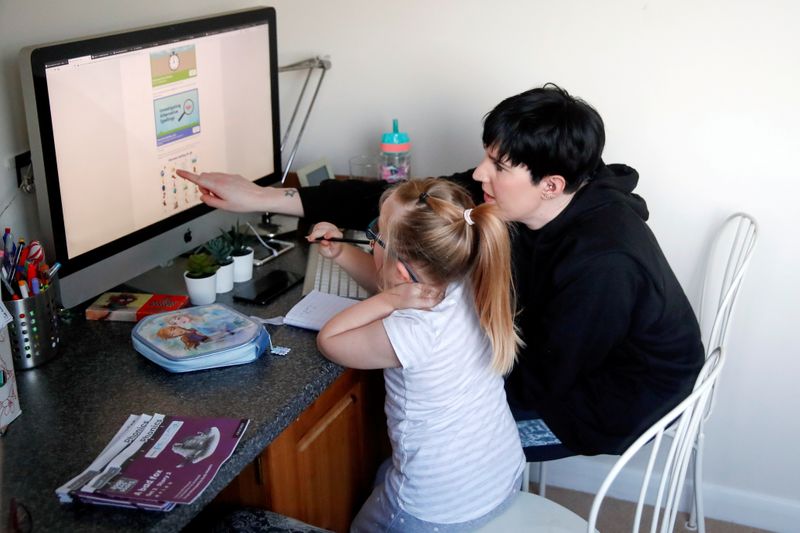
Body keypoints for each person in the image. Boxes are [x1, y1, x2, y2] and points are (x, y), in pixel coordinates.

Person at [177, 83, 705, 459]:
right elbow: (405, 200)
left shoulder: (604, 265)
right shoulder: (537, 196)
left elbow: (543, 384)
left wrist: (432, 358)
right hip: (559, 365)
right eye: (487, 157)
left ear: (551, 184)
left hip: (608, 404)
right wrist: (261, 196)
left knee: (424, 427)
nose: (480, 175)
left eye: (498, 166)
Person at [310, 177, 524, 531]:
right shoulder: (466, 275)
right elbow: (390, 279)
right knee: (384, 472)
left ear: (400, 268)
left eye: (374, 235)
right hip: (501, 473)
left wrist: (390, 300)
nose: (370, 239)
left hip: (437, 508)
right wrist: (341, 252)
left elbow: (331, 340)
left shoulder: (415, 330)